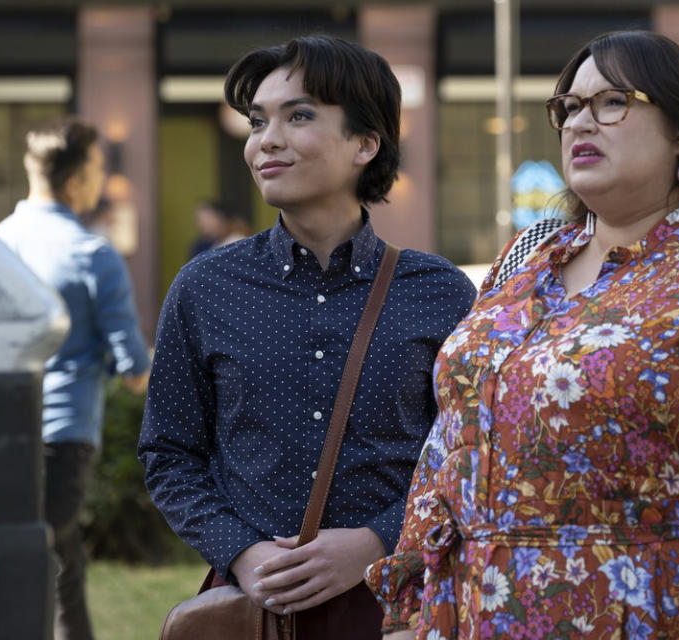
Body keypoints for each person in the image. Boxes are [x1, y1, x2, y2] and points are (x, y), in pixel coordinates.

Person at [366, 30, 679, 639]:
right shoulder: (525, 264)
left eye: (611, 102)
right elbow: (448, 451)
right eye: (568, 108)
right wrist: (410, 609)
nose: (579, 123)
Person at [137, 35, 476, 636]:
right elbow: (169, 453)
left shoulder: (439, 292)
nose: (266, 139)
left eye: (299, 116)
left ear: (366, 144)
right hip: (254, 609)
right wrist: (244, 552)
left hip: (402, 605)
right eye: (257, 121)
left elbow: (468, 454)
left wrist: (376, 540)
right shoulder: (205, 286)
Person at [0, 117, 151, 640]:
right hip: (65, 430)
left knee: (25, 554)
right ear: (78, 179)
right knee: (56, 558)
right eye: (100, 168)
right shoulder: (93, 254)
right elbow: (134, 368)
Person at [188, 200, 252, 258]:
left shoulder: (237, 241)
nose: (202, 224)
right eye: (200, 219)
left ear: (223, 218)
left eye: (208, 218)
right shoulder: (205, 244)